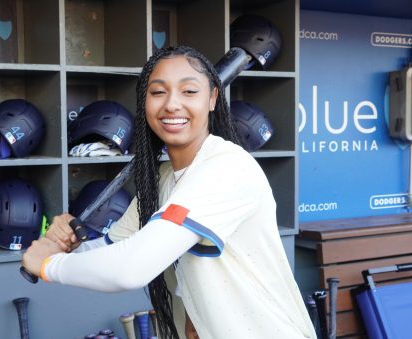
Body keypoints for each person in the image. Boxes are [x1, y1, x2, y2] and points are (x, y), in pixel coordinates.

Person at [22, 46, 317, 339]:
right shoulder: (164, 181)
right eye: (158, 92)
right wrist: (63, 245)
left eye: (189, 91)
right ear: (144, 102)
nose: (172, 104)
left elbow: (131, 268)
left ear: (213, 98)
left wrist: (50, 265)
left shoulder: (227, 168)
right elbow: (112, 249)